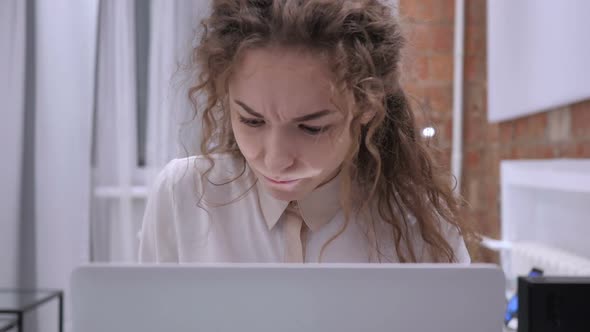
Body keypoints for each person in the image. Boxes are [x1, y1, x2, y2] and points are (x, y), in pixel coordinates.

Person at [138, 0, 476, 264]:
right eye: (252, 121)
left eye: (312, 127)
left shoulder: (418, 222)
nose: (275, 159)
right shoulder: (183, 196)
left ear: (366, 108)